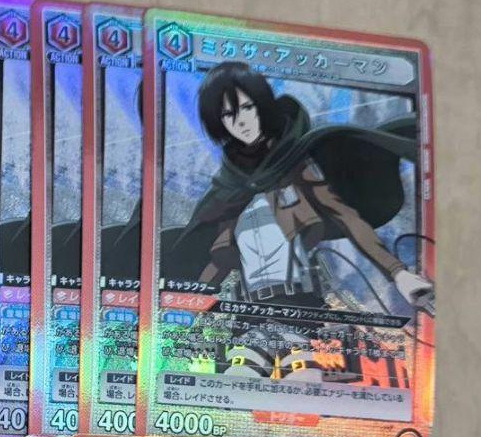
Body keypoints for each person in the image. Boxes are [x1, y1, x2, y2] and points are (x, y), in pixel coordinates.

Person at [165, 62, 433, 380]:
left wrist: (398, 273)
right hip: (250, 315)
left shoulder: (295, 164)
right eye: (229, 114)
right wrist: (186, 305)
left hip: (297, 308)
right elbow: (216, 256)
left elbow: (345, 215)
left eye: (248, 108)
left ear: (262, 106)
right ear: (219, 122)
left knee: (301, 375)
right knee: (243, 375)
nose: (241, 121)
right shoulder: (230, 185)